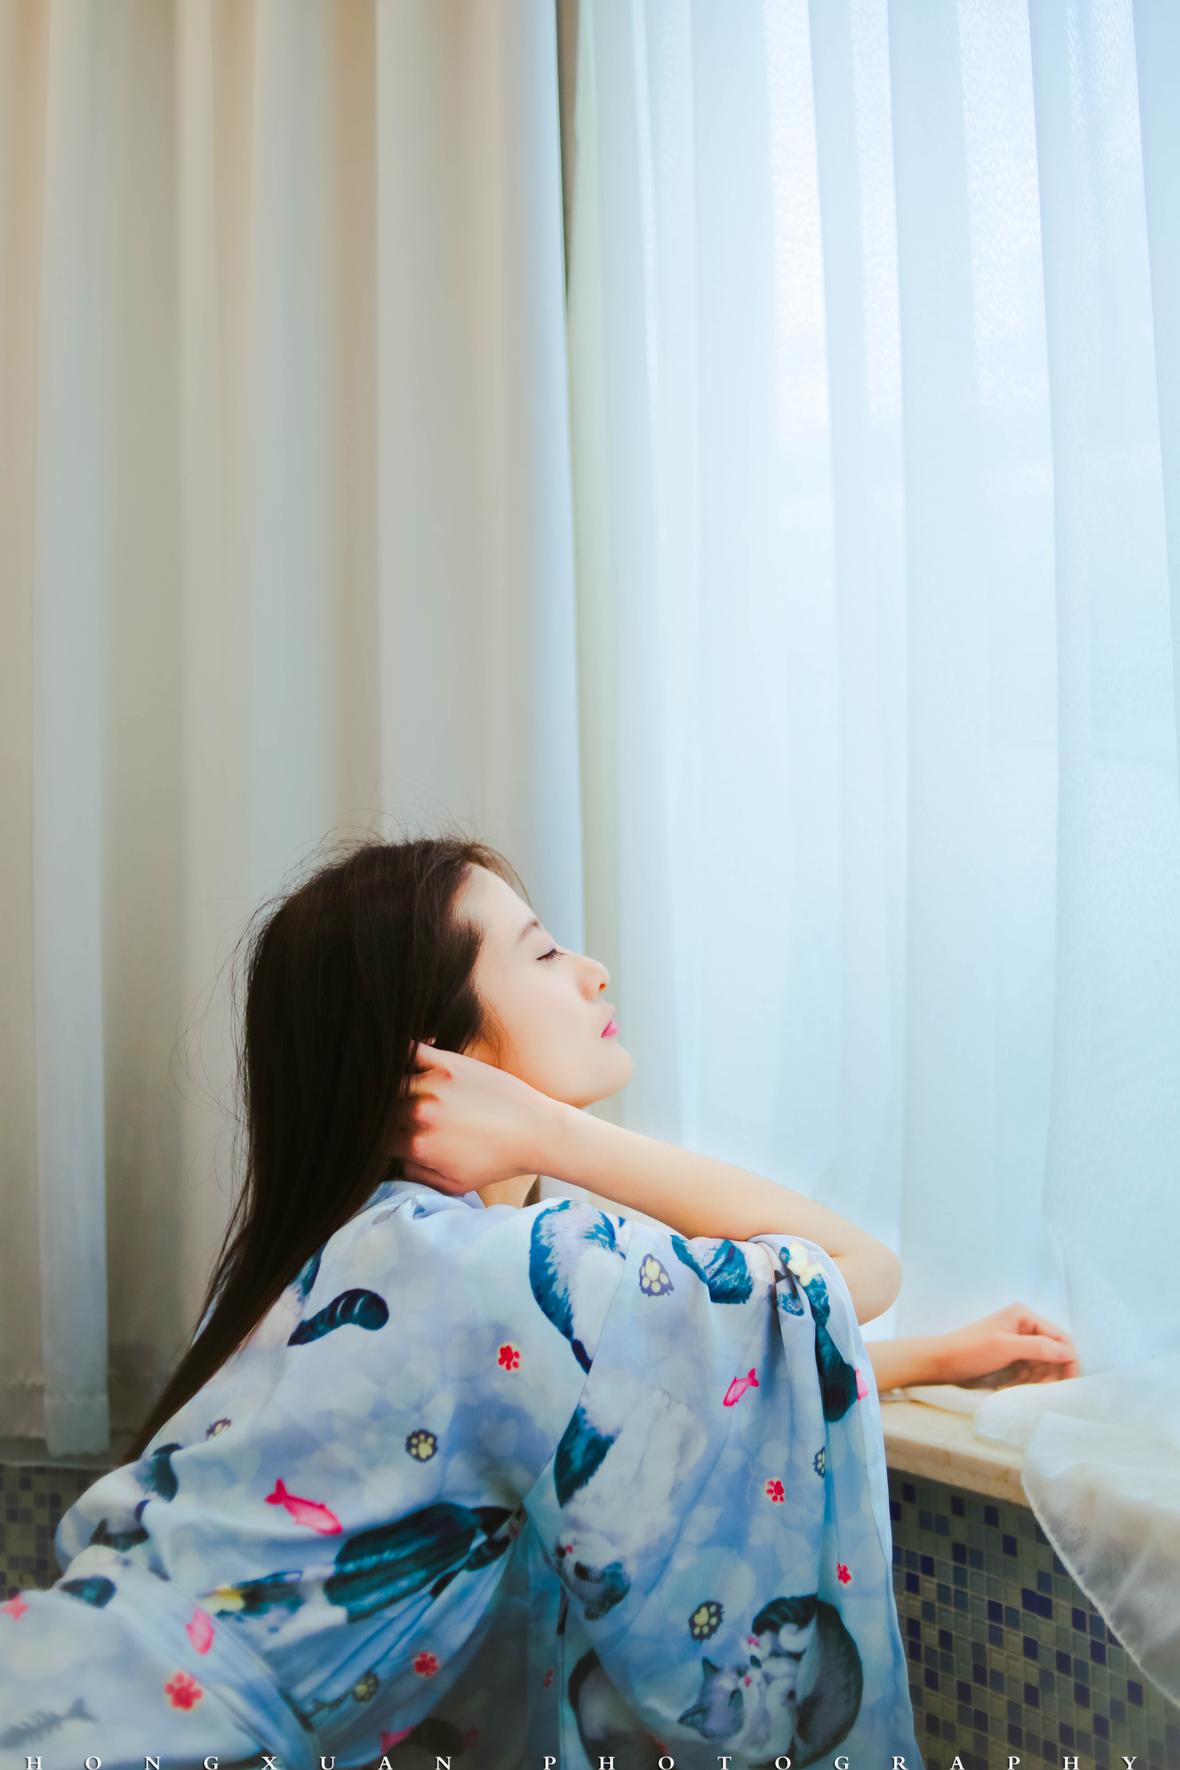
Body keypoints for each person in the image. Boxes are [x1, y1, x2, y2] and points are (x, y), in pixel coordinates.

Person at [0, 834, 1078, 1769]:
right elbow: (859, 1270)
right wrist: (556, 1134)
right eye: (545, 954)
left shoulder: (357, 1248)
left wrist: (922, 1361)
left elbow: (620, 1378)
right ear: (439, 1053)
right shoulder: (497, 1262)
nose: (594, 972)